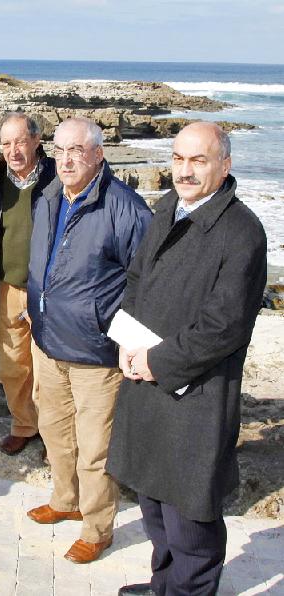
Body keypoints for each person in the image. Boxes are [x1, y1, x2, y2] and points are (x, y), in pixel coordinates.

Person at [108, 122, 267, 596]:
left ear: (225, 166)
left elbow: (226, 325)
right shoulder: (167, 209)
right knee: (154, 505)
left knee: (191, 521)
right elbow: (135, 281)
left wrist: (157, 361)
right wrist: (125, 340)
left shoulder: (242, 233)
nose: (185, 170)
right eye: (178, 158)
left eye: (199, 160)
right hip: (146, 382)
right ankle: (163, 587)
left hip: (196, 395)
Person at [25, 117, 152, 564]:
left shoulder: (126, 208)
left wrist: (128, 345)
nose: (66, 159)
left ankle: (98, 528)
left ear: (98, 154)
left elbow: (146, 285)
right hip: (47, 341)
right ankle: (65, 500)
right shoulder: (48, 197)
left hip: (96, 353)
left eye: (77, 150)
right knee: (56, 432)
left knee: (96, 448)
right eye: (59, 150)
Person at [0, 112, 57, 457]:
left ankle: (53, 434)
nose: (14, 150)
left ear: (37, 141)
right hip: (5, 285)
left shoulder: (56, 176)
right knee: (12, 364)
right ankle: (24, 425)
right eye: (6, 143)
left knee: (48, 366)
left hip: (47, 288)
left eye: (21, 141)